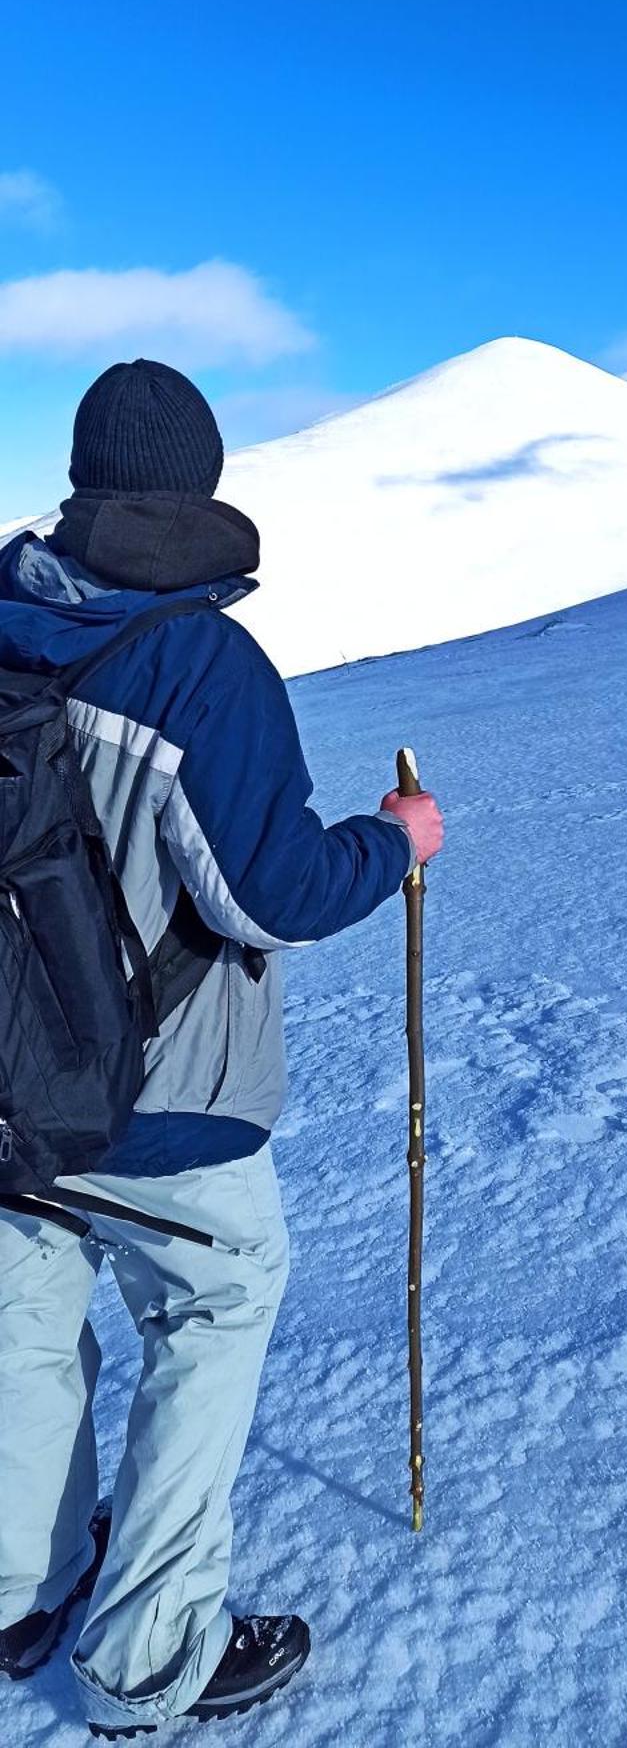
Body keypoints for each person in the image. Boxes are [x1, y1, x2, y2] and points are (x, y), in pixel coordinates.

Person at [0, 359, 444, 1737]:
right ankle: (147, 1657)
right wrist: (398, 845)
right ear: (201, 482)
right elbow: (276, 892)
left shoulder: (8, 618)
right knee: (215, 1303)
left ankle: (24, 1594)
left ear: (82, 477)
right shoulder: (201, 659)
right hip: (161, 1095)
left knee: (24, 1322)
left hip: (9, 1082)